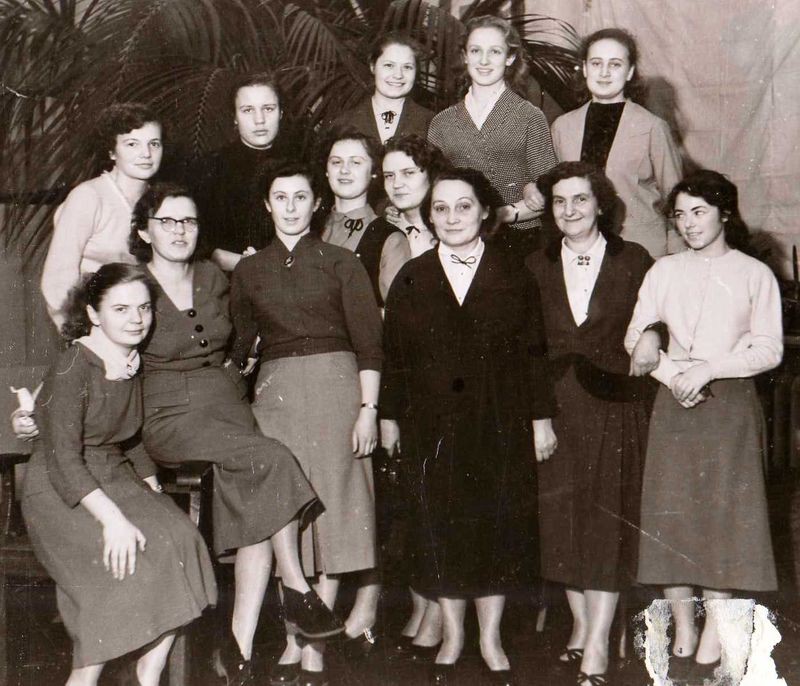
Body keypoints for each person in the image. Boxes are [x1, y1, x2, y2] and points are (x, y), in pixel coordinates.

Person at [128, 183, 344, 685]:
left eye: (188, 221)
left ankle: (239, 652)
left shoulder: (212, 276)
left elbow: (244, 331)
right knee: (272, 458)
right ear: (144, 231)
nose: (179, 231)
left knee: (258, 508)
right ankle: (297, 588)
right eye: (166, 222)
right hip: (171, 415)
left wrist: (242, 363)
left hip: (229, 406)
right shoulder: (133, 285)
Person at [381, 167, 555, 686]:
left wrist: (540, 420)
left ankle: (490, 638)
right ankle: (453, 636)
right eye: (441, 208)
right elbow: (396, 359)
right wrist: (389, 418)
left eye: (463, 206)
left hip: (498, 420)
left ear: (484, 212)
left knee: (497, 526)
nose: (452, 217)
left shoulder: (513, 273)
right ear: (429, 217)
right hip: (431, 427)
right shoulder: (412, 277)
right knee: (441, 525)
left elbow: (534, 354)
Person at [21, 263, 217, 686]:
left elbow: (131, 439)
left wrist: (151, 490)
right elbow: (63, 458)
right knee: (121, 565)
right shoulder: (73, 365)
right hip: (59, 488)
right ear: (93, 314)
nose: (136, 320)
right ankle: (84, 678)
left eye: (144, 308)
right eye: (121, 309)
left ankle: (150, 668)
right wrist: (113, 521)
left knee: (182, 539)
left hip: (115, 477)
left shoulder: (131, 361)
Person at [626, 170, 781, 685]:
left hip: (729, 403)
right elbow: (636, 336)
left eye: (699, 212)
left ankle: (716, 625)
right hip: (673, 401)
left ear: (724, 213)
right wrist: (674, 376)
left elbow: (768, 348)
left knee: (721, 516)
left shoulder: (754, 273)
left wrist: (709, 369)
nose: (689, 223)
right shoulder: (663, 270)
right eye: (680, 214)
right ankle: (685, 626)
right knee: (671, 515)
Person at [230, 163, 383, 686]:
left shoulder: (342, 261)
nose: (291, 207)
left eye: (300, 197)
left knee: (333, 514)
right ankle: (296, 637)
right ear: (266, 205)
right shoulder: (249, 270)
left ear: (316, 203)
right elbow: (241, 348)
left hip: (338, 389)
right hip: (276, 395)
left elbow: (369, 343)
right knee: (286, 516)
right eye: (281, 197)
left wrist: (368, 409)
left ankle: (311, 647)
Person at [525, 161, 653, 686]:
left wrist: (655, 334)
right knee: (560, 523)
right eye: (559, 201)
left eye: (580, 199)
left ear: (601, 204)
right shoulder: (534, 265)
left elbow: (659, 313)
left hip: (615, 404)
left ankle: (598, 643)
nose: (569, 210)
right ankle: (582, 626)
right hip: (555, 406)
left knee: (605, 523)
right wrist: (537, 416)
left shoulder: (635, 259)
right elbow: (527, 349)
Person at [427, 15, 557, 255]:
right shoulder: (441, 122)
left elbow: (549, 190)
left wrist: (507, 212)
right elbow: (432, 189)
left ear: (510, 57)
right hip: (459, 238)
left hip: (520, 240)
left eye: (495, 52)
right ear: (465, 56)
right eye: (476, 51)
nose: (484, 61)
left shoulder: (530, 116)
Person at [549, 28, 683, 258]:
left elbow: (677, 200)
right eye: (596, 63)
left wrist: (676, 259)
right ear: (584, 68)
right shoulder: (562, 127)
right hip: (580, 249)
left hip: (641, 250)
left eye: (615, 64)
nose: (604, 73)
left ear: (629, 72)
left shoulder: (652, 127)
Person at [41, 103, 163, 330]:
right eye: (132, 144)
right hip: (94, 326)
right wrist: (80, 333)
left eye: (154, 144)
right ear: (111, 152)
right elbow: (57, 280)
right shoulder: (88, 196)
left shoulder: (161, 200)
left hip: (143, 321)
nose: (146, 154)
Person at [191, 71, 291, 271]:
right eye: (247, 110)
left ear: (281, 113)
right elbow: (200, 243)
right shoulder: (209, 168)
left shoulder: (301, 164)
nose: (259, 119)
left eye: (268, 108)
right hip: (228, 278)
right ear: (234, 117)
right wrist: (249, 264)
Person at [321, 128, 411, 307]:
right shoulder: (309, 226)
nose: (344, 170)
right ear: (326, 171)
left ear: (373, 172)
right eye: (336, 162)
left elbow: (398, 313)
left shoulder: (390, 239)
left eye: (355, 162)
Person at [331, 32, 434, 144]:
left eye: (407, 67)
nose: (398, 75)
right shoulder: (343, 123)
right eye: (389, 65)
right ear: (373, 67)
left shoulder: (432, 124)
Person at [381, 134, 446, 258]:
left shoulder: (452, 231)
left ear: (431, 175)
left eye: (408, 173)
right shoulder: (381, 231)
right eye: (389, 176)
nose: (396, 184)